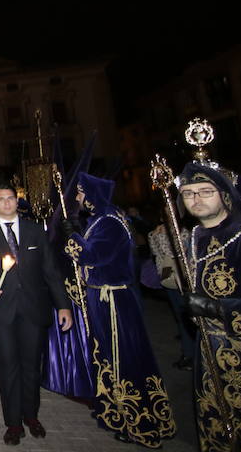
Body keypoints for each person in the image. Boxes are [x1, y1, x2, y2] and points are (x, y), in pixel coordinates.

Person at [62, 172, 175, 446]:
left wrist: (72, 236)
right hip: (103, 297)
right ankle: (116, 412)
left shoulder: (109, 222)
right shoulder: (102, 219)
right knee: (107, 358)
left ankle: (138, 422)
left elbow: (92, 256)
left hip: (112, 300)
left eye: (81, 192)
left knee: (122, 357)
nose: (78, 197)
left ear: (92, 195)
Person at [0, 184, 73, 445]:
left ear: (17, 201)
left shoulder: (34, 231)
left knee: (31, 365)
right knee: (8, 365)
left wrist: (63, 305)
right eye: (1, 199)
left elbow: (50, 271)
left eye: (10, 198)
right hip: (1, 311)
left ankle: (31, 415)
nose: (6, 203)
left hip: (32, 308)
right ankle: (13, 423)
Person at [177, 162, 241, 450]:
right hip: (208, 346)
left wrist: (217, 308)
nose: (196, 199)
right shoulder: (196, 236)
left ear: (225, 194)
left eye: (205, 191)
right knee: (214, 421)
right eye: (188, 193)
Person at [148, 219, 195, 371]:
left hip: (180, 276)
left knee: (184, 315)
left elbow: (171, 253)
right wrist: (154, 235)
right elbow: (155, 252)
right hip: (168, 273)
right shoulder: (163, 231)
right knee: (179, 313)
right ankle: (187, 344)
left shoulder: (184, 233)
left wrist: (161, 236)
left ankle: (189, 354)